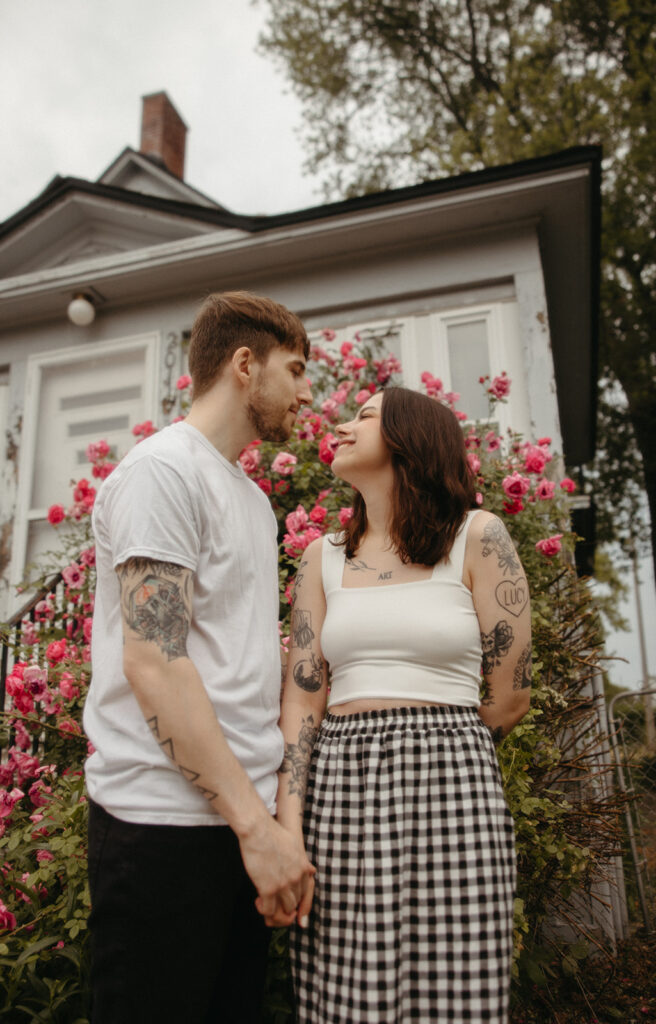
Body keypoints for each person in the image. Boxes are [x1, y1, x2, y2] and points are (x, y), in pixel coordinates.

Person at [83, 291, 315, 1024]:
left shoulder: (249, 497)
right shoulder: (162, 473)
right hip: (160, 830)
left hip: (237, 829)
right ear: (245, 365)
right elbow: (155, 663)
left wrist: (269, 827)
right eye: (297, 370)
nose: (308, 393)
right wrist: (257, 829)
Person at [274, 386, 532, 1023]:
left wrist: (437, 749)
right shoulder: (322, 558)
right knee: (343, 988)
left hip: (453, 786)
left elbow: (509, 694)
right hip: (340, 788)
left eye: (363, 416)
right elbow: (303, 700)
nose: (341, 424)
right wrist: (289, 821)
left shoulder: (478, 536)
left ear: (409, 439)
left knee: (457, 990)